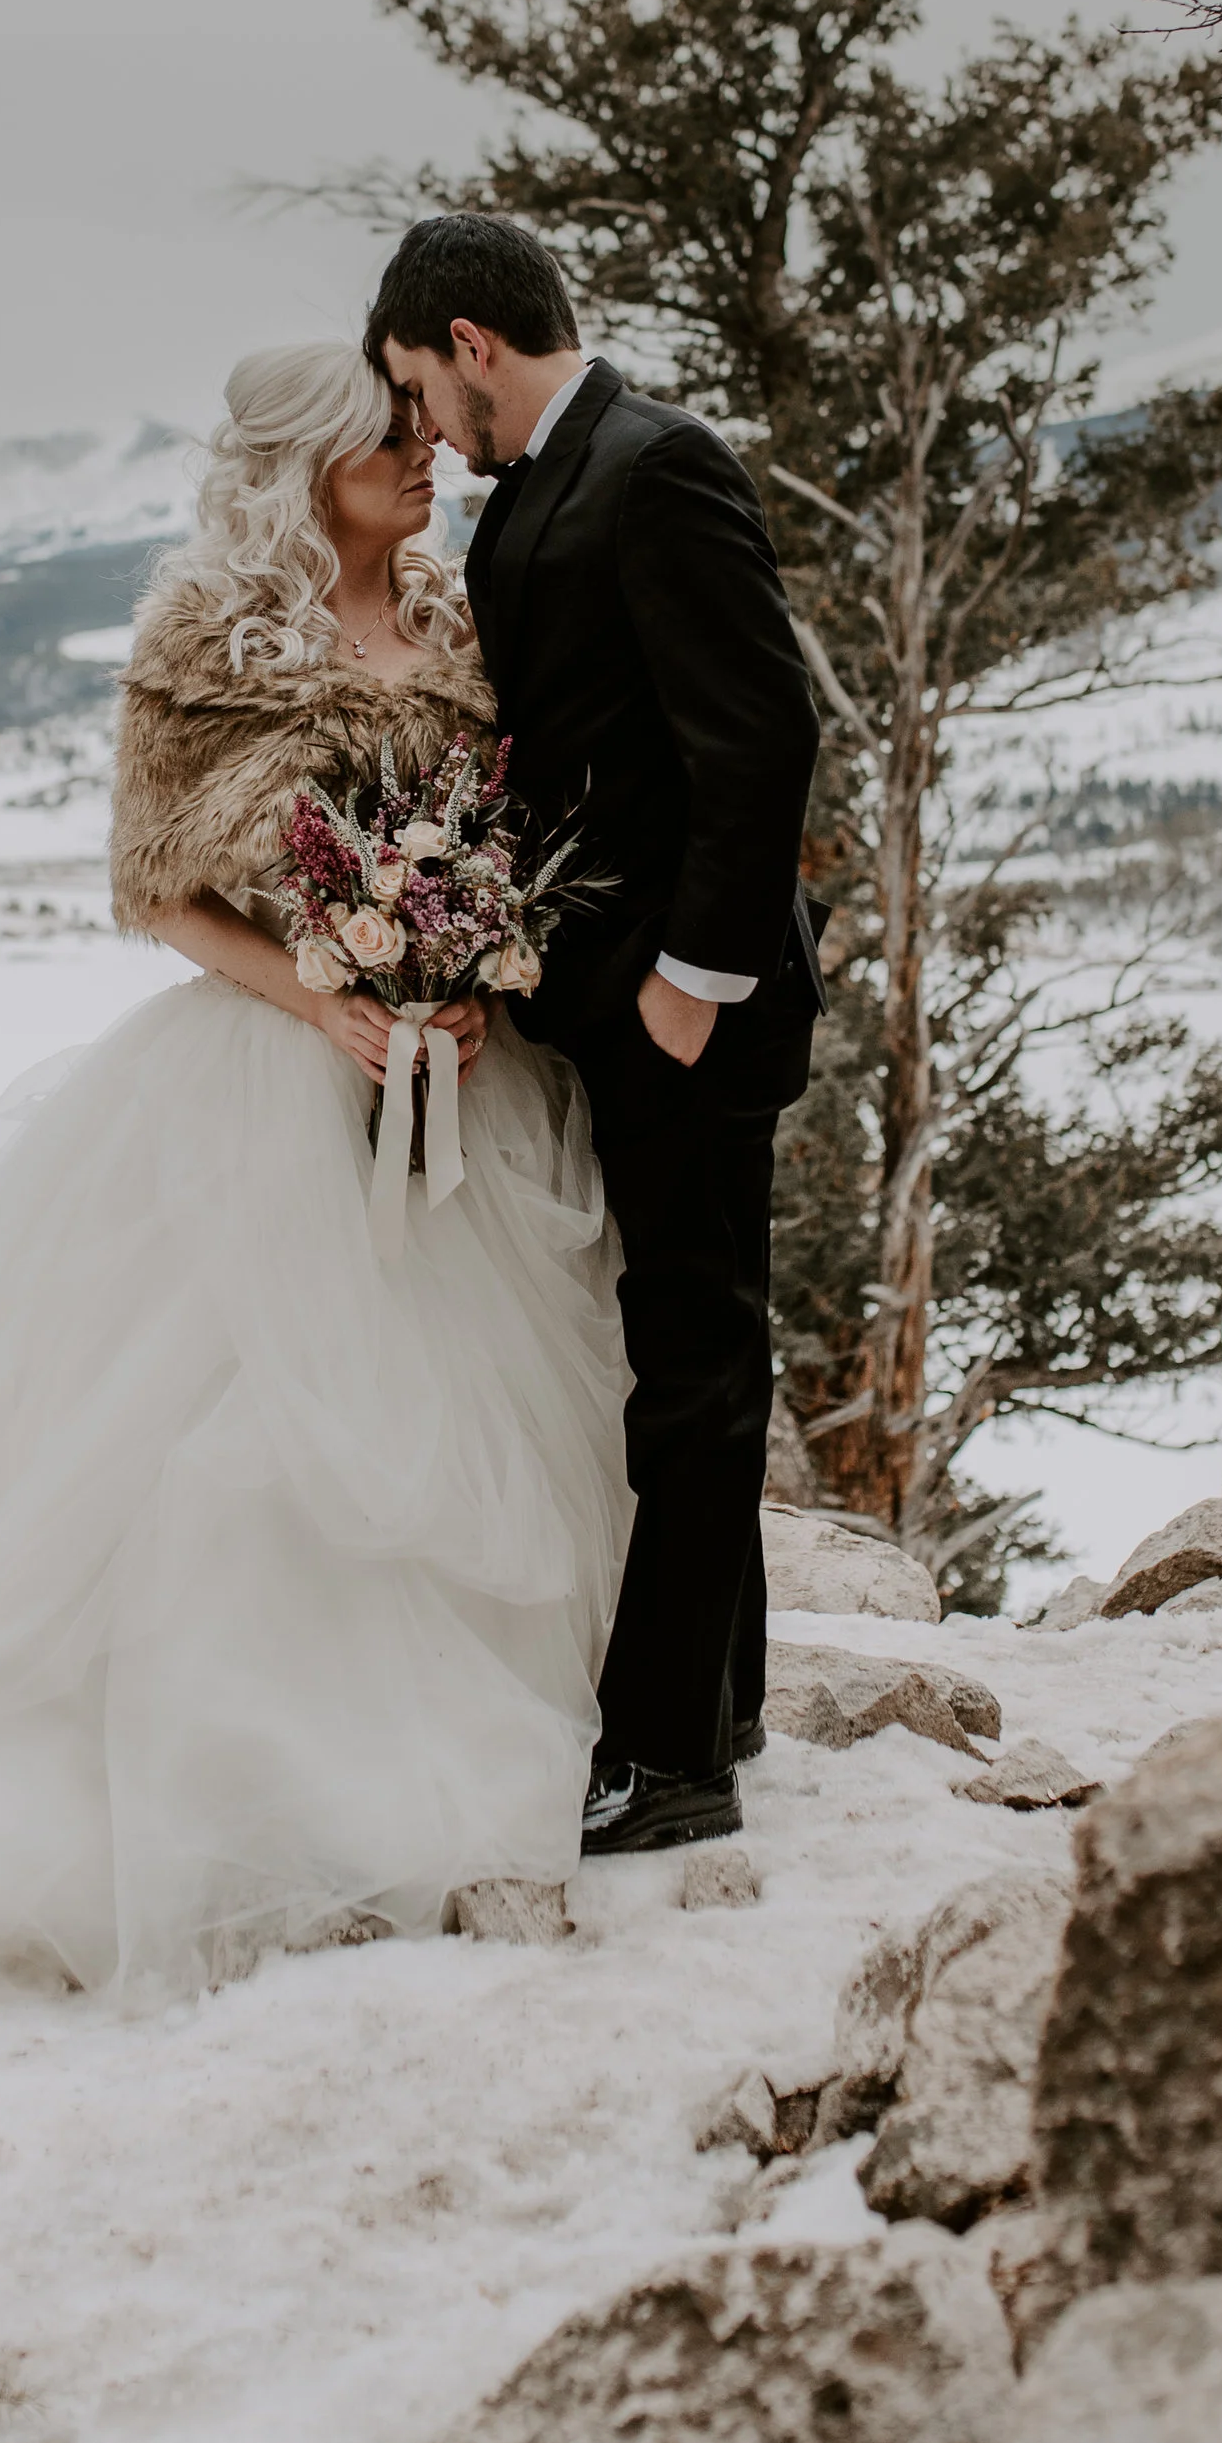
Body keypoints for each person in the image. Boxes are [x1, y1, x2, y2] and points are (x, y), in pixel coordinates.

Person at [0, 341, 630, 1998]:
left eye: (423, 427)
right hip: (267, 1086)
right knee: (227, 1445)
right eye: (390, 435)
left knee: (472, 1412)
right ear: (308, 465)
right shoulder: (202, 641)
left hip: (454, 1081)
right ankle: (241, 1797)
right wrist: (323, 995)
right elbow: (155, 887)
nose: (426, 451)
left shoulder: (456, 615)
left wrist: (453, 977)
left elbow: (497, 831)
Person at [371, 214, 824, 1860]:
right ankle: (730, 1700)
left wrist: (689, 989)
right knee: (682, 1354)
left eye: (423, 390)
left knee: (697, 1370)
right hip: (617, 1000)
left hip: (690, 1009)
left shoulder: (660, 463)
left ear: (473, 343)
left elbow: (765, 733)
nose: (425, 428)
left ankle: (667, 1762)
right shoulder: (547, 491)